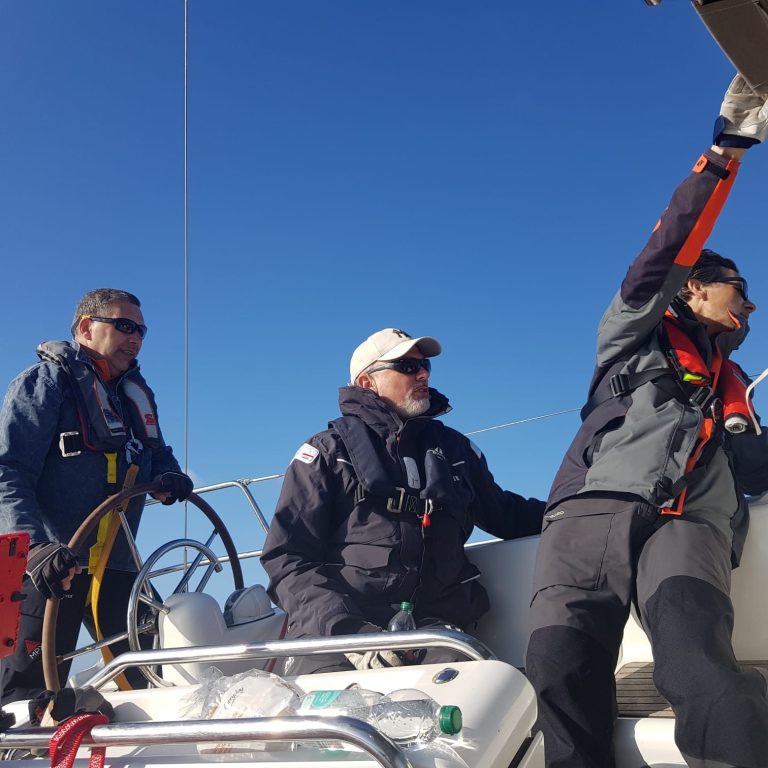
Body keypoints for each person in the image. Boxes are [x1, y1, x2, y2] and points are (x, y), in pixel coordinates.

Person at [526, 76, 768, 768]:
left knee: (702, 668)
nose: (751, 307)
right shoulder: (632, 333)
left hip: (690, 524)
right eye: (739, 290)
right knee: (560, 667)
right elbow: (667, 248)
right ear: (693, 286)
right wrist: (727, 151)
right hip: (592, 514)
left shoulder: (736, 390)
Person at [261, 328, 546, 675]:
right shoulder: (327, 453)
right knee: (336, 704)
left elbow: (507, 514)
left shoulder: (455, 451)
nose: (423, 373)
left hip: (433, 632)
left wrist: (575, 510)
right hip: (338, 634)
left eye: (425, 365)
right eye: (407, 366)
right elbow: (287, 558)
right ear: (367, 383)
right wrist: (351, 635)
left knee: (477, 690)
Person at [0, 288, 193, 703]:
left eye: (141, 331)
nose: (135, 338)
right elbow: (7, 471)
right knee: (25, 698)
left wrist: (170, 474)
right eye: (124, 326)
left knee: (162, 680)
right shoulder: (43, 384)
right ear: (87, 327)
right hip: (53, 568)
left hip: (118, 566)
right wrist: (35, 547)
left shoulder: (133, 396)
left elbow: (156, 452)